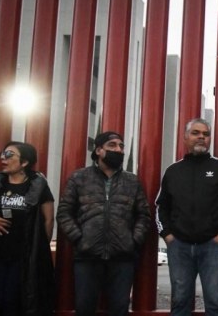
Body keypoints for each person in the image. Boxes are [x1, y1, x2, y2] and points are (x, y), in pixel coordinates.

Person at [156, 118, 218, 316]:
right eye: (196, 133)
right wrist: (167, 235)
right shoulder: (173, 171)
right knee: (179, 301)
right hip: (179, 246)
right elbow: (161, 206)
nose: (201, 137)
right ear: (186, 138)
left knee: (214, 302)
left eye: (205, 134)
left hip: (213, 246)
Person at [56, 131, 151, 316]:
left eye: (121, 146)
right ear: (99, 150)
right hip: (87, 257)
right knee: (84, 308)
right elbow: (64, 213)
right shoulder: (79, 178)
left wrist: (133, 241)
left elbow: (144, 216)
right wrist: (79, 239)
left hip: (123, 258)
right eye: (113, 146)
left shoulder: (132, 181)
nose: (119, 150)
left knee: (119, 309)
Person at [0, 141, 55, 316]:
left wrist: (39, 247)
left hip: (24, 256)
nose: (4, 158)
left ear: (24, 162)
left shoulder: (38, 185)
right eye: (3, 154)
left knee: (13, 300)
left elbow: (49, 220)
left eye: (9, 155)